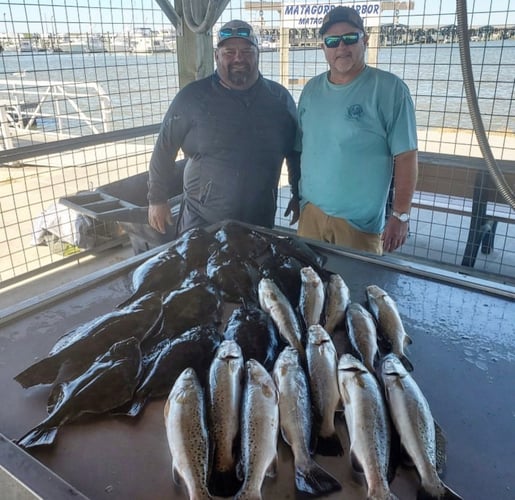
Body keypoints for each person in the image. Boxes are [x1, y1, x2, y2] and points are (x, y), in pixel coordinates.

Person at [147, 20, 300, 236]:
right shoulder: (191, 97)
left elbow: (294, 152)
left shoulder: (280, 99)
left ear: (258, 54)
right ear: (217, 55)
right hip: (202, 219)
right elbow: (164, 149)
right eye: (229, 52)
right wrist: (157, 199)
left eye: (246, 51)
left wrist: (297, 194)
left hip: (260, 218)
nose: (239, 57)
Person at [296, 6, 418, 254]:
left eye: (350, 38)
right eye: (332, 41)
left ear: (365, 40)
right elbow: (303, 147)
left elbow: (406, 156)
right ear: (323, 48)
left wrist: (401, 215)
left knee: (357, 288)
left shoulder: (390, 89)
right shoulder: (310, 90)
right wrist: (298, 199)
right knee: (307, 285)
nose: (341, 47)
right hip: (311, 213)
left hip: (359, 224)